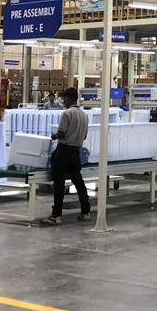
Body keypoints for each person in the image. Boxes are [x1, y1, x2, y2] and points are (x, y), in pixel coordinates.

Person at [41, 87, 90, 225]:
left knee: (59, 183)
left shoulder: (66, 114)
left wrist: (54, 136)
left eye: (64, 99)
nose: (63, 101)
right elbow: (84, 136)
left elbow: (61, 133)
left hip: (63, 152)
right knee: (78, 181)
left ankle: (56, 215)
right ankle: (85, 211)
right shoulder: (84, 115)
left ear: (68, 98)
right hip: (76, 152)